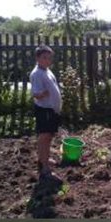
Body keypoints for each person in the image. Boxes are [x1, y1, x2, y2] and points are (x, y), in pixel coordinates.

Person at [29, 45, 62, 181]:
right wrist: (46, 93)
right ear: (37, 58)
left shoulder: (46, 70)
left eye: (49, 58)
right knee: (44, 137)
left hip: (51, 110)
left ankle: (44, 159)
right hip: (44, 110)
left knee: (48, 137)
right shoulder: (37, 73)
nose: (47, 60)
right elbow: (36, 95)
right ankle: (44, 169)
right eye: (44, 57)